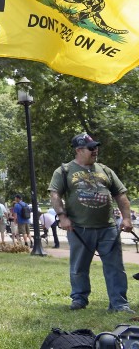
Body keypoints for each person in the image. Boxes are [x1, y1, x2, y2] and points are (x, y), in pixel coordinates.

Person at [49, 133, 134, 313]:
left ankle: (119, 304)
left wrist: (126, 218)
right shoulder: (64, 171)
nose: (95, 150)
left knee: (116, 267)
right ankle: (79, 299)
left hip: (108, 228)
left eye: (96, 147)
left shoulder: (106, 170)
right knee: (79, 266)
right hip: (79, 228)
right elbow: (55, 194)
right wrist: (62, 216)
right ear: (79, 150)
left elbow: (120, 195)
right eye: (91, 148)